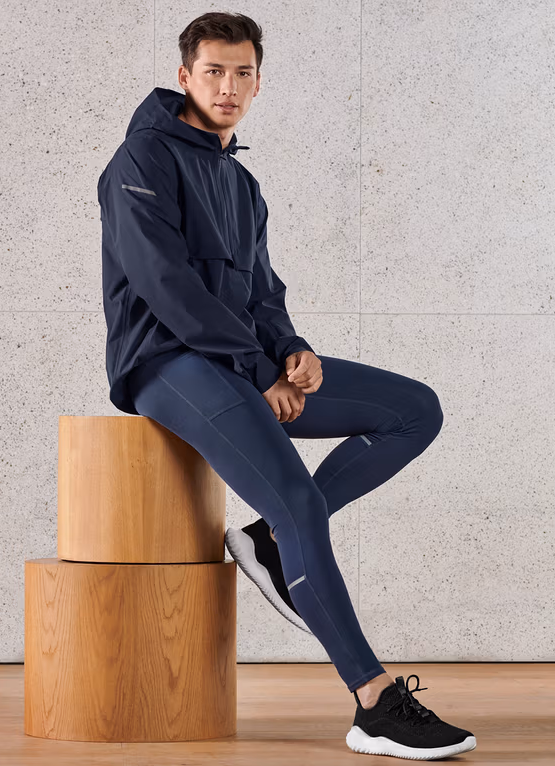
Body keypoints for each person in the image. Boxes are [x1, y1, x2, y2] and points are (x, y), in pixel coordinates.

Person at [97, 11, 477, 761]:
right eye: (214, 71)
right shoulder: (141, 158)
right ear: (184, 76)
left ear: (258, 82)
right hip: (164, 364)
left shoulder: (242, 183)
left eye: (242, 73)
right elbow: (168, 287)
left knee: (413, 410)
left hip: (242, 362)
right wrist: (256, 368)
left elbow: (262, 293)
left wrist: (291, 350)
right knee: (299, 497)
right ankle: (374, 704)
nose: (228, 87)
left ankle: (269, 543)